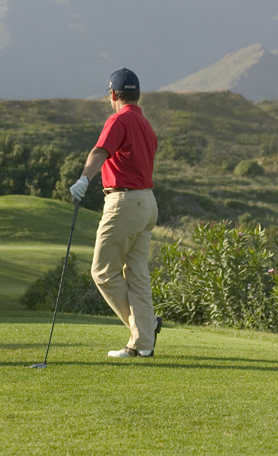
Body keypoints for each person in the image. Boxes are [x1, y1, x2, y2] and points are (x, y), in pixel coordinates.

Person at [69, 68, 162, 358]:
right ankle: (144, 344)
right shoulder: (145, 124)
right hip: (147, 204)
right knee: (137, 276)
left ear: (112, 94)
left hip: (125, 203)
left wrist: (84, 178)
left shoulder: (119, 119)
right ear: (137, 94)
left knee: (102, 271)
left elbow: (100, 151)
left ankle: (142, 330)